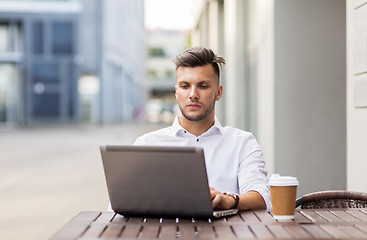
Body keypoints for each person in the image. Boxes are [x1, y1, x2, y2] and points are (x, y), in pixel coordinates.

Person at [135, 47, 271, 211]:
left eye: (203, 86)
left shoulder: (242, 143)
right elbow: (117, 206)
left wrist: (229, 201)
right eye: (185, 86)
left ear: (218, 92)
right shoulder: (147, 144)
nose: (193, 94)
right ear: (177, 92)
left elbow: (262, 198)